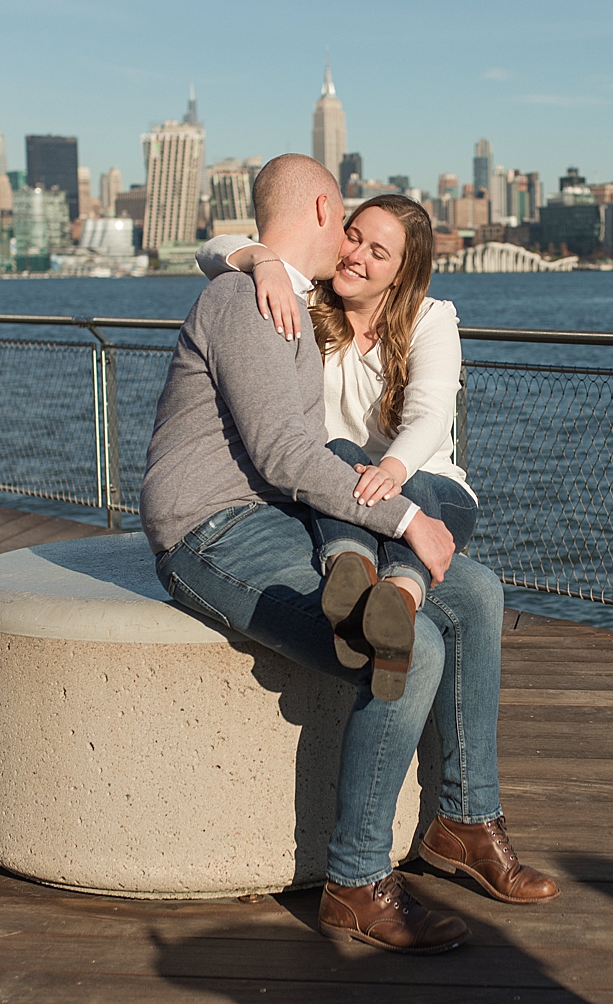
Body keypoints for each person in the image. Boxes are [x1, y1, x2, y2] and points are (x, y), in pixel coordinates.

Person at [141, 154, 557, 956]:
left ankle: (464, 823)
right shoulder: (248, 298)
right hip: (210, 531)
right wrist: (406, 519)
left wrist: (260, 256)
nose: (356, 250)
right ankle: (357, 883)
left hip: (275, 515)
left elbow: (361, 436)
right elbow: (286, 453)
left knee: (472, 593)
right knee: (409, 647)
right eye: (351, 228)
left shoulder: (284, 294)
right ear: (327, 207)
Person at [196, 195, 476, 703]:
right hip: (347, 483)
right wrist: (265, 263)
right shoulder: (305, 305)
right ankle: (353, 577)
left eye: (378, 252)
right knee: (342, 450)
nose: (356, 256)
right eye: (353, 236)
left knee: (406, 480)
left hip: (430, 490)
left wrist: (390, 470)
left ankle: (399, 599)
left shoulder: (430, 320)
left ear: (401, 273)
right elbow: (212, 251)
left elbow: (431, 415)